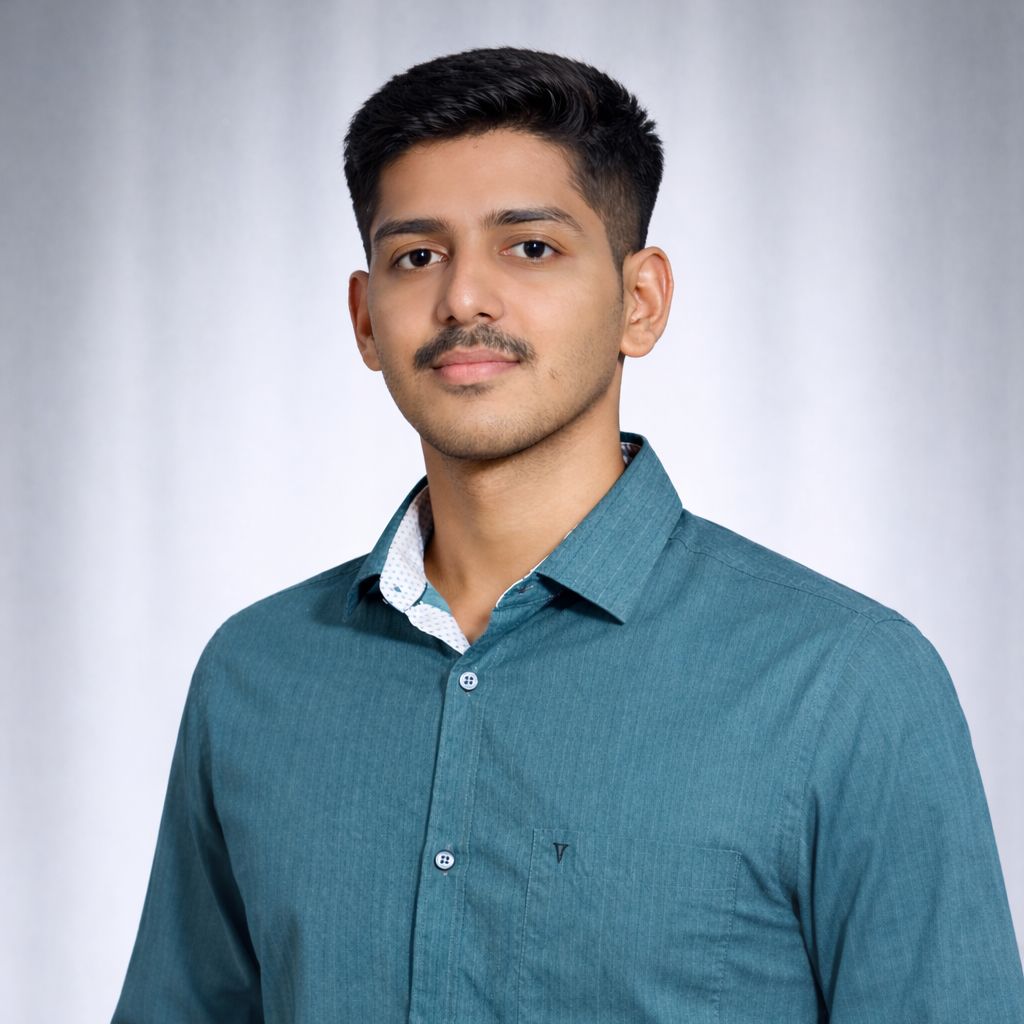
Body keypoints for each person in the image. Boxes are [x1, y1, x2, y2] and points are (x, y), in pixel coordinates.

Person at [113, 47, 1024, 1023]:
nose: (464, 297)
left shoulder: (846, 684)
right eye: (417, 256)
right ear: (365, 319)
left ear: (640, 301)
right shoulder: (255, 675)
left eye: (530, 248)